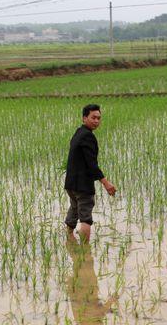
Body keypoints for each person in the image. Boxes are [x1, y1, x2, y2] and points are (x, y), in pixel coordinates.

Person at [64, 104, 116, 242]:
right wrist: (106, 183)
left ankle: (69, 239)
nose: (96, 121)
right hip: (82, 185)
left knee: (74, 208)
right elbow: (92, 164)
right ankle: (84, 250)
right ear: (84, 118)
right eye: (93, 117)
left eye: (99, 118)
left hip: (71, 183)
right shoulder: (88, 137)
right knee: (85, 216)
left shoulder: (78, 133)